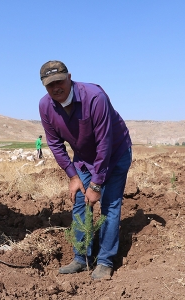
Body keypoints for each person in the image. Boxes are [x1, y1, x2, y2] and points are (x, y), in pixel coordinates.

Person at [38, 60, 132, 280]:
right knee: (80, 202)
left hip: (115, 153)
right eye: (50, 85)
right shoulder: (45, 106)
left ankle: (105, 261)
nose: (56, 88)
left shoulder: (94, 97)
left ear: (69, 77)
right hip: (84, 158)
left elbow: (105, 143)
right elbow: (55, 144)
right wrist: (73, 176)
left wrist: (97, 184)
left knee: (109, 203)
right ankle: (81, 258)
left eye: (59, 81)